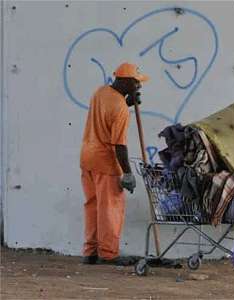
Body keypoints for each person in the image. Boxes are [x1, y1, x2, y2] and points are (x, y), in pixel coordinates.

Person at [80, 62, 148, 265]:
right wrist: (127, 172)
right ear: (125, 81)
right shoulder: (120, 109)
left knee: (92, 206)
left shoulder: (100, 92)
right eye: (136, 83)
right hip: (105, 163)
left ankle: (90, 252)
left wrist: (124, 102)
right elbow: (119, 145)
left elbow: (105, 113)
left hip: (87, 158)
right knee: (110, 208)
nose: (139, 87)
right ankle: (109, 254)